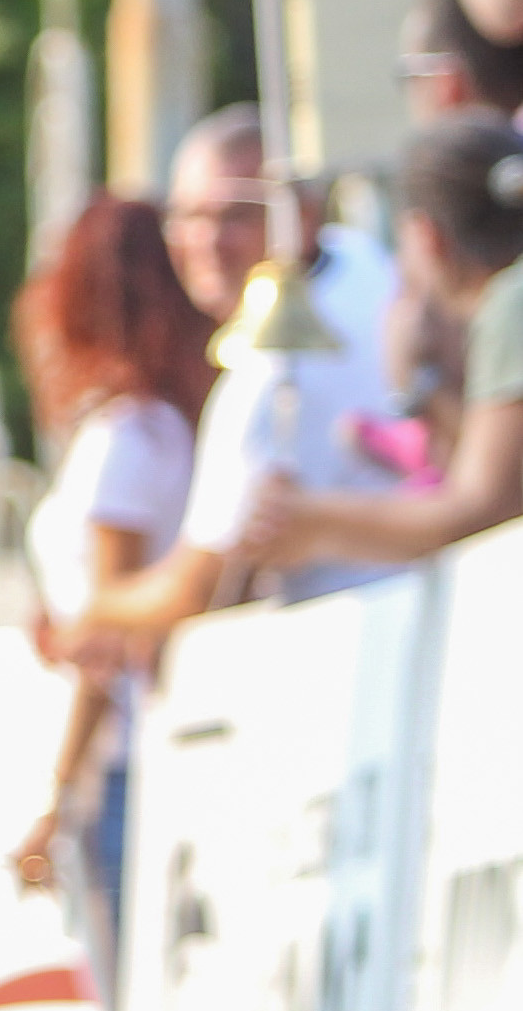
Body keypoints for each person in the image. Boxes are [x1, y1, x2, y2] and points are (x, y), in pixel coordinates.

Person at [80, 107, 402, 646]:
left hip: (358, 649)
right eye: (187, 216)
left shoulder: (270, 378)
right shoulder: (362, 260)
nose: (205, 241)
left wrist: (92, 607)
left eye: (235, 216)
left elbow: (194, 591)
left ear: (301, 217)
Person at [4, 198, 215, 991]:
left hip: (121, 756)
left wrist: (57, 795)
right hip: (147, 741)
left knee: (133, 1003)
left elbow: (102, 634)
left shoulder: (126, 436)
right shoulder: (169, 423)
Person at [233, 115, 523, 581]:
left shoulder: (512, 301)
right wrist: (420, 386)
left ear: (426, 236)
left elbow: (480, 507)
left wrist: (312, 520)